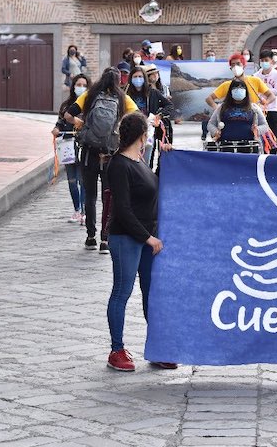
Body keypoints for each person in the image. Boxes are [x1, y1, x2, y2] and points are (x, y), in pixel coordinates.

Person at [105, 111, 175, 372]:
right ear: (141, 135)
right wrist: (148, 238)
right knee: (122, 292)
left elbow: (152, 186)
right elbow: (122, 210)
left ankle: (157, 348)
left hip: (148, 239)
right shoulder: (119, 164)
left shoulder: (139, 160)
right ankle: (116, 350)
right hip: (127, 237)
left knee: (151, 294)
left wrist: (166, 159)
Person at [65, 68, 138, 253]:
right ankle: (105, 239)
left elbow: (67, 114)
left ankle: (91, 237)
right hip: (110, 154)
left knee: (90, 196)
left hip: (89, 152)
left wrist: (80, 123)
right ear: (117, 82)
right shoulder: (123, 98)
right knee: (109, 196)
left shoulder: (90, 95)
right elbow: (138, 118)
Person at [53, 74, 89, 224]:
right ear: (73, 86)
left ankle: (84, 211)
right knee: (72, 181)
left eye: (83, 85)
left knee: (82, 180)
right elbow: (60, 122)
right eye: (78, 84)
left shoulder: (89, 105)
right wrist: (56, 129)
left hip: (83, 146)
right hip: (67, 146)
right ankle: (76, 210)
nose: (80, 87)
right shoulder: (66, 106)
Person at [125, 67, 174, 167]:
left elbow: (169, 105)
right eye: (135, 77)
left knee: (147, 162)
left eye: (140, 76)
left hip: (149, 130)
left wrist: (159, 116)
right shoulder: (126, 93)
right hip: (130, 130)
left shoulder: (153, 93)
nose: (138, 79)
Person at [207, 78, 269, 144]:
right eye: (235, 88)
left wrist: (257, 130)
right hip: (225, 146)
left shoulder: (254, 108)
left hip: (249, 146)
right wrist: (215, 131)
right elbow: (210, 124)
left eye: (242, 88)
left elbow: (265, 125)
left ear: (246, 91)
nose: (239, 89)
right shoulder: (222, 108)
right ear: (230, 91)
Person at [254, 49, 277, 153]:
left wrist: (264, 90)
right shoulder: (256, 75)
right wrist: (261, 95)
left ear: (272, 61)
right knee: (262, 133)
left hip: (273, 108)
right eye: (262, 60)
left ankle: (273, 153)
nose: (264, 62)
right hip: (260, 108)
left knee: (274, 133)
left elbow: (276, 91)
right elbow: (255, 90)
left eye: (266, 60)